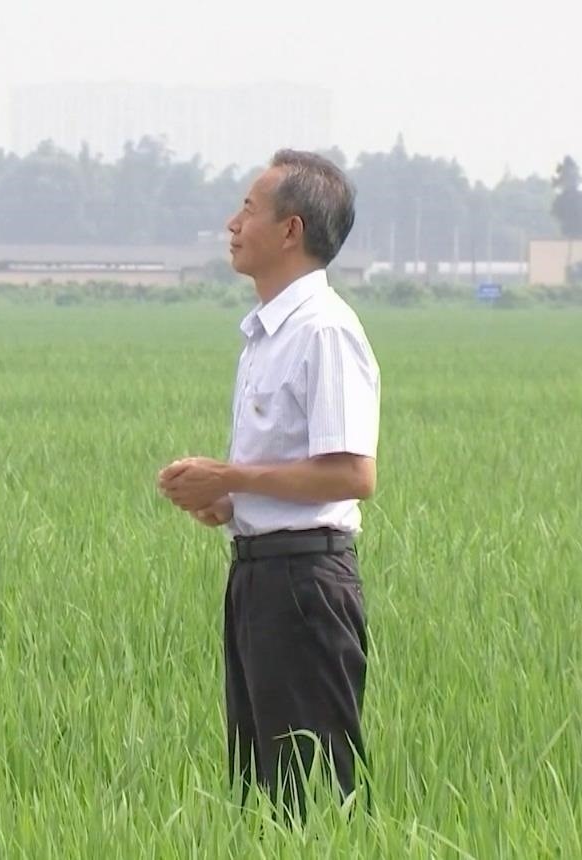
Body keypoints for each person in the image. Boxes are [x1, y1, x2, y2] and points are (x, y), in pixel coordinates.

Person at [157, 149, 380, 822]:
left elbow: (353, 474)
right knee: (263, 793)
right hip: (258, 577)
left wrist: (231, 475)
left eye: (248, 209)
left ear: (290, 230)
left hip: (305, 584)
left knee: (314, 794)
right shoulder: (266, 334)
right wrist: (227, 501)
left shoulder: (324, 330)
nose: (232, 223)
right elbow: (293, 467)